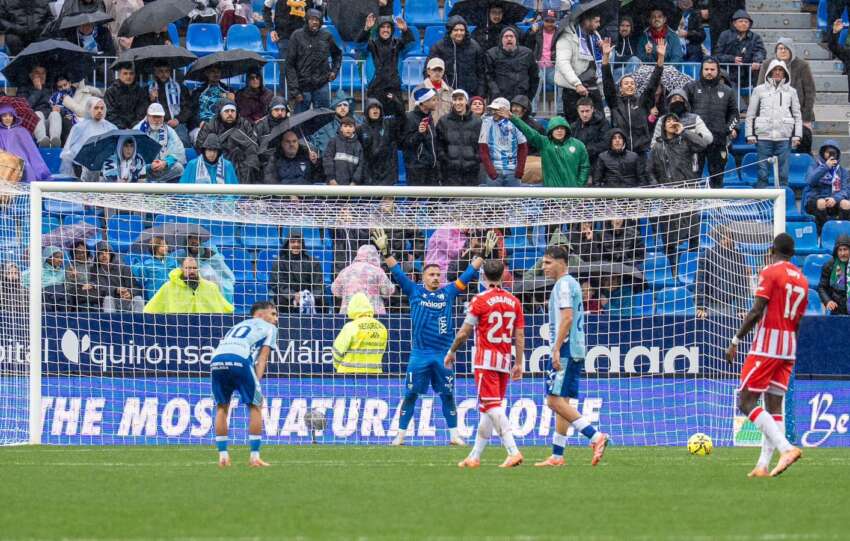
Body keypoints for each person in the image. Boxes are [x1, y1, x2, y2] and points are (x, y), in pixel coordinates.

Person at [370, 227, 483, 447]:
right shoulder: (414, 291)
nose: (435, 278)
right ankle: (400, 435)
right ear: (423, 277)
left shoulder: (448, 292)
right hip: (420, 355)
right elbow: (397, 272)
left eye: (438, 275)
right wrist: (386, 252)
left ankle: (454, 435)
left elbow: (468, 274)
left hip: (443, 355)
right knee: (411, 394)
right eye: (431, 274)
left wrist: (482, 255)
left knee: (447, 395)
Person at [725, 233, 805, 478]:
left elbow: (757, 310)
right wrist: (789, 349)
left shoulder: (770, 271)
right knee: (773, 406)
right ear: (793, 254)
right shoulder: (802, 279)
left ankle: (786, 448)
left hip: (767, 345)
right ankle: (763, 465)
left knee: (745, 402)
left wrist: (735, 340)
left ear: (772, 250)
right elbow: (798, 321)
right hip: (789, 346)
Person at [446, 259, 525, 469]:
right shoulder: (514, 301)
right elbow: (519, 334)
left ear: (483, 276)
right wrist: (519, 362)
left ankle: (513, 451)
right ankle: (474, 456)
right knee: (487, 411)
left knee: (491, 407)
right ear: (503, 275)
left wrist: (452, 351)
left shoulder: (480, 300)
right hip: (504, 362)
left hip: (486, 362)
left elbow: (464, 332)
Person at [536, 245, 609, 467]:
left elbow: (567, 317)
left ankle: (595, 436)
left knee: (553, 400)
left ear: (561, 263)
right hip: (575, 347)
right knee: (563, 401)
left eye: (548, 262)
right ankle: (557, 455)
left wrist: (556, 348)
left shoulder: (564, 285)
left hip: (566, 348)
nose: (543, 267)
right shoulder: (570, 283)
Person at [209, 300, 278, 467]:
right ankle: (255, 457)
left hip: (216, 361)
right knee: (256, 404)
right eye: (273, 314)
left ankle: (223, 456)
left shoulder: (236, 326)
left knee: (222, 407)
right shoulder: (270, 328)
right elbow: (262, 358)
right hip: (239, 359)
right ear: (260, 314)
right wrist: (256, 383)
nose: (276, 319)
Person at [601, 36, 664, 164]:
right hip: (620, 152)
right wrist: (606, 57)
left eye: (632, 83)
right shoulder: (615, 102)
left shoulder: (642, 101)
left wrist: (660, 58)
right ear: (620, 88)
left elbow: (653, 84)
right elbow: (607, 82)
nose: (629, 85)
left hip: (640, 152)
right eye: (626, 83)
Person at [500, 106, 590, 188]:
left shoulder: (578, 145)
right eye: (556, 128)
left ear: (566, 130)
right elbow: (528, 131)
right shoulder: (544, 143)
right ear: (551, 130)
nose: (559, 131)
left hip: (573, 195)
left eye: (562, 128)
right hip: (551, 195)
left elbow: (584, 167)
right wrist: (513, 118)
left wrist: (579, 187)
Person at [745, 60, 802, 188]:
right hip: (763, 136)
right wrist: (749, 134)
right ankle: (762, 197)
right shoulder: (759, 90)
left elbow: (797, 115)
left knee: (783, 173)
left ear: (785, 73)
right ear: (769, 72)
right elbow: (750, 114)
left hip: (784, 137)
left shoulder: (791, 91)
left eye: (780, 70)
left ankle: (783, 197)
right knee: (762, 172)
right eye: (774, 70)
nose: (777, 72)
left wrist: (797, 135)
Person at [684, 57, 738, 187]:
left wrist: (728, 129)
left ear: (718, 71)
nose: (709, 72)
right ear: (701, 70)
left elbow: (734, 114)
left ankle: (717, 202)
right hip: (695, 141)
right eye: (706, 69)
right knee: (692, 178)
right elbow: (683, 111)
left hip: (718, 141)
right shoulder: (690, 87)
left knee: (717, 179)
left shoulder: (728, 91)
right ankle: (692, 202)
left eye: (712, 69)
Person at [554, 5, 605, 123]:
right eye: (596, 21)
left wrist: (604, 51)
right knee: (575, 125)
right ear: (586, 21)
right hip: (574, 90)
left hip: (593, 87)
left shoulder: (595, 36)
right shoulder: (566, 38)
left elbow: (598, 61)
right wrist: (577, 84)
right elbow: (563, 63)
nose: (599, 25)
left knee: (600, 123)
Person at [286, 8, 342, 113]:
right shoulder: (296, 36)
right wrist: (295, 91)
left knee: (323, 118)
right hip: (302, 87)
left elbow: (337, 54)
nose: (315, 22)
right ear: (307, 20)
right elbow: (290, 65)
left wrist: (334, 71)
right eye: (312, 19)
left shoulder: (327, 35)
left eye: (317, 20)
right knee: (300, 120)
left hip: (321, 85)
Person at [695, 226, 755, 319]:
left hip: (729, 305)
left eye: (730, 237)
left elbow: (742, 283)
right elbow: (700, 281)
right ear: (719, 238)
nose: (727, 240)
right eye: (724, 237)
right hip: (709, 306)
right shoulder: (707, 254)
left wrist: (741, 308)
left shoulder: (739, 257)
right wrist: (701, 306)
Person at [357, 14, 414, 112]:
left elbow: (411, 45)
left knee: (398, 118)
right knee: (374, 118)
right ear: (378, 29)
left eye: (388, 27)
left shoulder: (398, 44)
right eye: (382, 27)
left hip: (394, 87)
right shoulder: (371, 44)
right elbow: (360, 45)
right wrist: (366, 30)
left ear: (392, 30)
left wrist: (406, 30)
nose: (385, 30)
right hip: (375, 88)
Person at [757, 39, 816, 132]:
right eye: (780, 48)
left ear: (791, 50)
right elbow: (760, 91)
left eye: (786, 48)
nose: (783, 51)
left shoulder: (802, 66)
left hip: (798, 113)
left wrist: (806, 118)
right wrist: (760, 115)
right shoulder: (767, 64)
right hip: (772, 113)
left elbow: (810, 92)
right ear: (776, 50)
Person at [196, 100, 260, 184]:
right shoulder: (210, 125)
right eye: (226, 111)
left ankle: (244, 190)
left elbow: (253, 145)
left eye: (232, 111)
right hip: (219, 157)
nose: (230, 114)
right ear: (220, 113)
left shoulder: (245, 124)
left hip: (242, 158)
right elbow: (200, 145)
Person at [144, 256, 234, 313]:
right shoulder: (168, 287)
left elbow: (227, 309)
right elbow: (150, 309)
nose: (192, 271)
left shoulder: (211, 287)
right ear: (182, 269)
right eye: (188, 268)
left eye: (194, 268)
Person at [427, 15, 486, 98]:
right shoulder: (438, 47)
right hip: (445, 93)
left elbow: (481, 72)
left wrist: (480, 94)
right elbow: (428, 70)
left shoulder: (475, 47)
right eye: (456, 30)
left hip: (470, 92)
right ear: (450, 31)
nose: (459, 33)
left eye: (462, 30)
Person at [269, 230, 326, 313]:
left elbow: (319, 285)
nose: (296, 244)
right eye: (293, 242)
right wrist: (293, 295)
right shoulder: (279, 262)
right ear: (287, 244)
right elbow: (278, 285)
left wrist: (307, 297)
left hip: (309, 296)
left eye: (299, 242)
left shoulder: (313, 262)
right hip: (288, 296)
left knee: (322, 300)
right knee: (281, 300)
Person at [332, 290, 388, 374]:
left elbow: (337, 351)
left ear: (351, 308)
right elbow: (382, 351)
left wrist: (338, 366)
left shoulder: (351, 326)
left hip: (348, 374)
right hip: (374, 374)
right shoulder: (381, 327)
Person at [331, 243, 396, 316]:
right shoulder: (377, 271)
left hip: (348, 313)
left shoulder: (346, 271)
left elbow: (335, 291)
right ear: (375, 256)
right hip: (373, 314)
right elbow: (388, 291)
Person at [60, 97, 117, 178]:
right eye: (96, 108)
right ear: (89, 109)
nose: (99, 111)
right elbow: (70, 150)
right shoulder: (79, 127)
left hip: (105, 167)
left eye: (102, 108)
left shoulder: (111, 127)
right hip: (82, 167)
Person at [479, 97, 528, 187]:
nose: (494, 112)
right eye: (493, 109)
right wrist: (491, 172)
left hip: (513, 172)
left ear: (506, 111)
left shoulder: (516, 122)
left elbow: (523, 148)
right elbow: (483, 149)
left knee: (514, 197)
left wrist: (519, 170)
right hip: (495, 172)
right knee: (493, 197)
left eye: (497, 110)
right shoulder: (486, 123)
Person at [437, 89, 482, 186]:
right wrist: (446, 161)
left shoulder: (477, 122)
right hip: (450, 173)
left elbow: (481, 145)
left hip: (471, 172)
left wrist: (476, 159)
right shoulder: (443, 121)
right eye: (455, 100)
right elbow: (439, 145)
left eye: (460, 99)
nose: (457, 103)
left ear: (466, 101)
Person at [803, 141, 850, 234]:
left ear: (837, 155)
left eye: (833, 153)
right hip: (816, 199)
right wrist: (825, 167)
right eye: (828, 152)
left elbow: (845, 190)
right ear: (823, 153)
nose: (830, 155)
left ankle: (842, 232)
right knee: (821, 203)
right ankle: (823, 233)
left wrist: (835, 199)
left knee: (846, 203)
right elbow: (810, 181)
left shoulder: (842, 171)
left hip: (834, 200)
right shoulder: (814, 166)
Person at [134, 103, 186, 183]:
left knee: (179, 168)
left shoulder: (169, 131)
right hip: (145, 169)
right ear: (148, 116)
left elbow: (178, 151)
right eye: (154, 117)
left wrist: (165, 162)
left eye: (159, 117)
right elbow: (132, 156)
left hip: (162, 167)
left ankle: (160, 184)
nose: (157, 120)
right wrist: (149, 166)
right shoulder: (138, 130)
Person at [485, 27, 539, 103]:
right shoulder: (491, 54)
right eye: (506, 36)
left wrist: (529, 97)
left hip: (521, 97)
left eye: (511, 36)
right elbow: (488, 77)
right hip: (499, 98)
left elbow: (534, 77)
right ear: (501, 39)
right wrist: (495, 93)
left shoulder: (527, 53)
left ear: (516, 39)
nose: (509, 39)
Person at [358, 98, 404, 185]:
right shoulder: (361, 129)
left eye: (377, 108)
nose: (375, 110)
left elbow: (401, 117)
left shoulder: (388, 124)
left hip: (387, 172)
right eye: (372, 107)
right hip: (369, 173)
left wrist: (396, 102)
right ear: (367, 111)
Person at [713, 9, 765, 86]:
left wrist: (757, 61)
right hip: (729, 74)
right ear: (734, 23)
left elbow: (760, 51)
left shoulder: (755, 37)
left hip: (748, 74)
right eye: (741, 21)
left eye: (746, 22)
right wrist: (732, 59)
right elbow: (717, 55)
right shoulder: (725, 35)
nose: (743, 24)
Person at [178, 235, 235, 304]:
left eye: (196, 238)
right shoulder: (180, 256)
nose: (194, 241)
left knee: (207, 273)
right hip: (192, 296)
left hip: (214, 295)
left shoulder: (208, 251)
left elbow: (225, 273)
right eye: (190, 238)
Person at [0, 105, 51, 182]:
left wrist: (41, 172)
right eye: (4, 116)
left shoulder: (22, 131)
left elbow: (32, 152)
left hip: (22, 161)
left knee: (26, 169)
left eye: (10, 115)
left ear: (14, 117)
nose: (8, 118)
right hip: (5, 163)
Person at [147, 62, 192, 148]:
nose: (164, 74)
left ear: (170, 72)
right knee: (154, 145)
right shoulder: (148, 89)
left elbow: (187, 108)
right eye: (161, 71)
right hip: (156, 124)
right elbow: (144, 111)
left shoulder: (180, 87)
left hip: (177, 123)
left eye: (166, 71)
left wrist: (178, 120)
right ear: (155, 72)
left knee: (183, 142)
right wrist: (151, 100)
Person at [401, 87, 440, 186]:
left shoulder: (429, 117)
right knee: (416, 196)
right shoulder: (410, 118)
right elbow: (405, 143)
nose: (436, 102)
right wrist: (419, 133)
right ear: (424, 102)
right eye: (433, 100)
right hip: (416, 168)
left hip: (431, 166)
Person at [91, 242, 145, 313]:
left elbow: (137, 287)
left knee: (138, 299)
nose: (104, 255)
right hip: (109, 303)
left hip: (127, 301)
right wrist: (116, 290)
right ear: (97, 256)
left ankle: (139, 320)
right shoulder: (94, 271)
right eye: (101, 253)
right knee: (108, 298)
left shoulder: (124, 268)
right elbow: (99, 289)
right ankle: (110, 320)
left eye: (106, 252)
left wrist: (130, 293)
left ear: (111, 255)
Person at [17, 66, 57, 148]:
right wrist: (37, 90)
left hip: (48, 122)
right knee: (38, 114)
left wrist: (56, 109)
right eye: (37, 73)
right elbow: (25, 107)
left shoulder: (51, 88)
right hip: (32, 123)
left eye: (43, 73)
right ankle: (42, 141)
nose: (41, 76)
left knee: (55, 114)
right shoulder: (23, 89)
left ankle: (55, 141)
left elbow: (61, 106)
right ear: (31, 75)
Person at [525, 10, 559, 103]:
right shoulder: (536, 30)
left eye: (552, 21)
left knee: (562, 80)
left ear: (556, 21)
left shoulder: (560, 33)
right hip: (537, 66)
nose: (549, 24)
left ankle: (560, 109)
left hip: (553, 67)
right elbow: (527, 44)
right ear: (543, 21)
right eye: (547, 21)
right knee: (538, 80)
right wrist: (532, 32)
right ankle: (533, 109)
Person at [190, 66, 235, 137]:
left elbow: (233, 113)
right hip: (201, 126)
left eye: (218, 72)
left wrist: (233, 102)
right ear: (206, 73)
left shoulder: (228, 90)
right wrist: (200, 122)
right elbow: (192, 112)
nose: (216, 74)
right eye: (213, 71)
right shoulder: (198, 91)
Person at [407, 57, 454, 125]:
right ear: (428, 71)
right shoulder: (418, 90)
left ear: (443, 72)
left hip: (445, 129)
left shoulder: (450, 91)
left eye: (440, 70)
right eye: (434, 70)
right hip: (426, 129)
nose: (437, 73)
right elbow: (412, 113)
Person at [132, 236, 178, 300]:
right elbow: (140, 275)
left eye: (166, 245)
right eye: (162, 246)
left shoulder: (172, 260)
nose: (166, 247)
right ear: (155, 247)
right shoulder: (148, 263)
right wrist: (135, 264)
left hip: (172, 294)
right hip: (155, 295)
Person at [104, 65, 149, 130]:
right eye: (125, 73)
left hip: (136, 128)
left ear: (134, 75)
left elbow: (142, 112)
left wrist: (133, 127)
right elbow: (110, 113)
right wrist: (123, 128)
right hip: (116, 129)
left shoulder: (140, 91)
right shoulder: (111, 91)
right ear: (119, 75)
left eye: (131, 73)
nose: (128, 76)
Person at [571, 97, 609, 171]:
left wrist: (585, 150)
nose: (585, 114)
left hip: (598, 165)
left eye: (587, 111)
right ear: (578, 111)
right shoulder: (574, 126)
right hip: (578, 165)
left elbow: (606, 144)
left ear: (592, 109)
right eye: (582, 111)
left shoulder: (603, 123)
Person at [323, 117, 363, 185]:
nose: (348, 129)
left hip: (351, 186)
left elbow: (361, 165)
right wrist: (331, 178)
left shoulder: (358, 145)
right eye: (345, 126)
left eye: (350, 126)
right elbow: (327, 160)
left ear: (354, 129)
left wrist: (355, 181)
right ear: (341, 128)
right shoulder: (334, 141)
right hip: (333, 184)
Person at [818, 234, 850, 316]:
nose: (842, 253)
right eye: (840, 250)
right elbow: (822, 287)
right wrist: (828, 301)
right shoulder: (829, 265)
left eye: (845, 249)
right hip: (836, 309)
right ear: (836, 251)